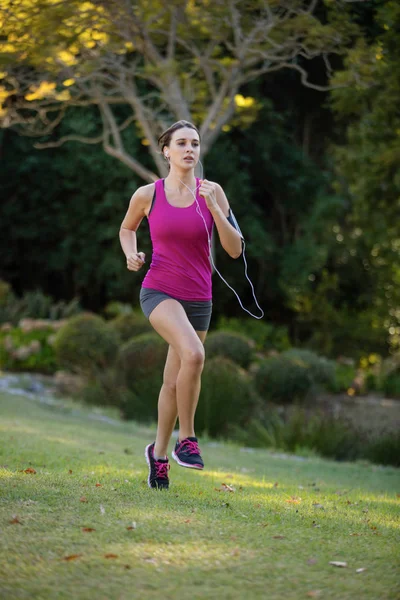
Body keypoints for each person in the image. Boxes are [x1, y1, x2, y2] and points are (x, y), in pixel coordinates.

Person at [119, 120, 242, 490]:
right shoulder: (148, 194)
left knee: (173, 381)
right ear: (166, 151)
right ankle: (186, 440)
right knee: (195, 355)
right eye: (182, 143)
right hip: (159, 291)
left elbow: (234, 250)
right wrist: (131, 254)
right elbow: (127, 228)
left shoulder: (213, 191)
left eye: (195, 143)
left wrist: (215, 209)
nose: (190, 149)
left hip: (199, 297)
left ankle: (157, 456)